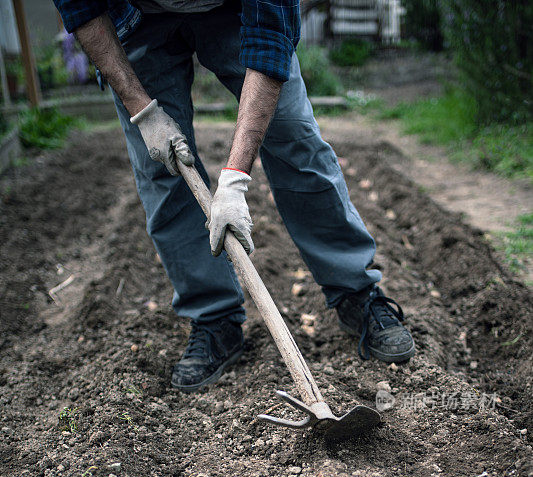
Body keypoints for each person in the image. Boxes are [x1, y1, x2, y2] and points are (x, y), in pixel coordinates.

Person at [53, 0, 415, 393]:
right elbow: (82, 10)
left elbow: (269, 38)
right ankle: (215, 319)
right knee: (160, 165)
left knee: (293, 136)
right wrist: (143, 112)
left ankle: (356, 292)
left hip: (237, 10)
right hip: (133, 17)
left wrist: (235, 180)